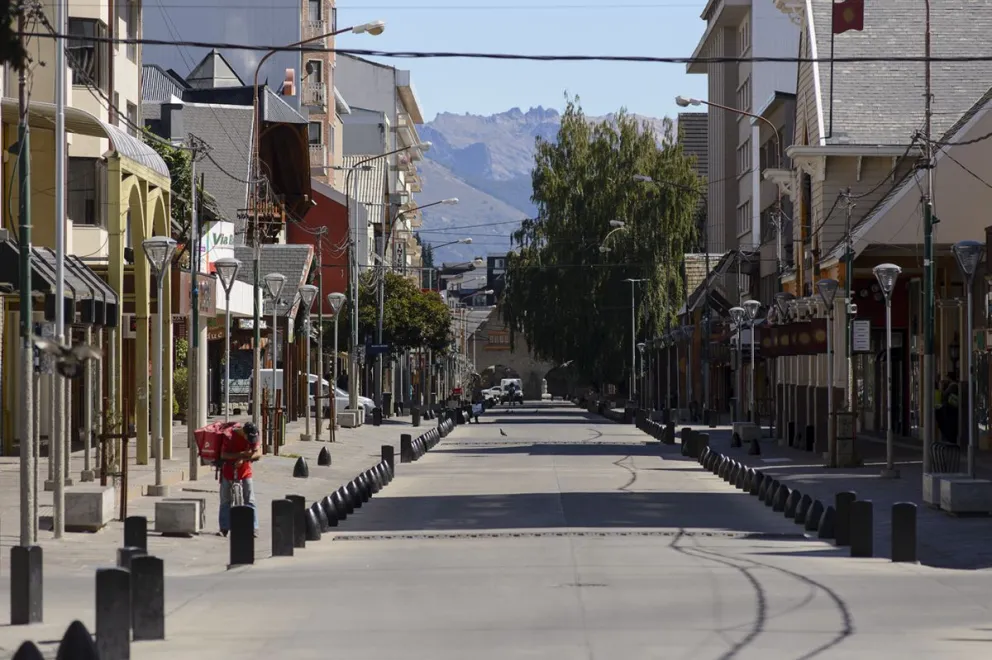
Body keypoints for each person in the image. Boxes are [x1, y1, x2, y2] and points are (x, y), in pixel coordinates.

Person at [218, 421, 261, 537]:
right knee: (225, 499)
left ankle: (254, 527)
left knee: (250, 499)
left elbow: (257, 454)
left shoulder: (254, 435)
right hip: (228, 470)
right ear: (243, 433)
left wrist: (244, 459)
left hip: (245, 471)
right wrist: (241, 454)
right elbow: (223, 455)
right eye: (249, 438)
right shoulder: (229, 435)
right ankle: (224, 527)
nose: (250, 441)